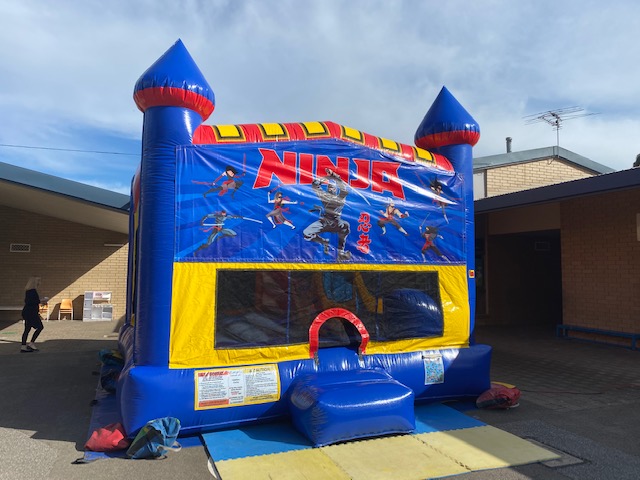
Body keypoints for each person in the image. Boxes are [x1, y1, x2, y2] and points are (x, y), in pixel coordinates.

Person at [303, 169, 351, 261]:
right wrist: (325, 178)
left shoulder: (341, 197)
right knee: (306, 233)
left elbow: (343, 188)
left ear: (336, 189)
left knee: (346, 226)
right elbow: (315, 185)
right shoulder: (325, 196)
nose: (330, 189)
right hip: (325, 221)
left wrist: (334, 176)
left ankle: (340, 252)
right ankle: (324, 242)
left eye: (332, 187)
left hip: (337, 222)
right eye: (329, 187)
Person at [21, 276, 44, 353]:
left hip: (27, 312)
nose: (39, 283)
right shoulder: (33, 291)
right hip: (31, 313)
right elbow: (31, 302)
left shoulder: (28, 291)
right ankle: (31, 343)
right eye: (38, 281)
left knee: (27, 329)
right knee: (40, 327)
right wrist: (41, 300)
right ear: (34, 282)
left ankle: (23, 346)